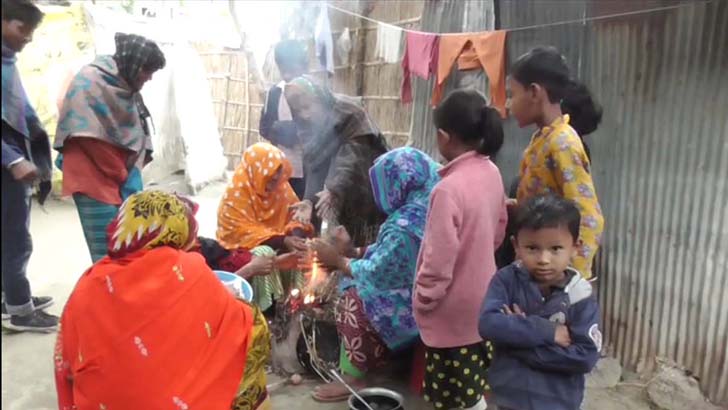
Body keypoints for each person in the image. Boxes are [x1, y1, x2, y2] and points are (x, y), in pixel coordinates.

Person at [54, 190, 273, 410]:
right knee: (249, 325)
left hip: (101, 402)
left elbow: (68, 355)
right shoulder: (188, 268)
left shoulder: (90, 280)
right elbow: (239, 327)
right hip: (171, 402)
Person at [311, 147, 441, 402]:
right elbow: (391, 255)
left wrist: (338, 259)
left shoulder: (406, 224)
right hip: (432, 289)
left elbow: (377, 273)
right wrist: (353, 251)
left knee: (351, 294)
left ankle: (355, 377)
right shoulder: (428, 202)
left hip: (418, 304)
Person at [413, 89, 508, 410]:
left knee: (454, 396)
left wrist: (425, 298)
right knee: (472, 385)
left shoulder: (447, 189)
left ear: (443, 137)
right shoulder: (491, 173)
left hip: (451, 308)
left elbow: (438, 260)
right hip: (484, 297)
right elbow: (498, 229)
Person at [478, 195, 601, 410]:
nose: (544, 259)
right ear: (516, 245)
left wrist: (516, 343)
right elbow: (488, 324)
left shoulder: (579, 295)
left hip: (557, 403)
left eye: (555, 249)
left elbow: (584, 357)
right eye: (532, 248)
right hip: (509, 399)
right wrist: (547, 331)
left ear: (575, 247)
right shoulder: (507, 280)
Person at [54, 32, 166, 263]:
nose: (150, 78)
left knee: (128, 243)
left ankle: (121, 292)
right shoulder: (89, 83)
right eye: (148, 71)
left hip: (120, 174)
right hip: (91, 175)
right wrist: (123, 175)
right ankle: (105, 293)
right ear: (133, 63)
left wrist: (131, 177)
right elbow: (87, 138)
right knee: (106, 249)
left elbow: (135, 134)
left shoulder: (126, 85)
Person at [508, 46, 604, 279]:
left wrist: (570, 278)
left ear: (534, 92)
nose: (509, 105)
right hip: (537, 267)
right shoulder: (543, 138)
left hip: (553, 279)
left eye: (512, 94)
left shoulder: (562, 142)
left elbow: (589, 217)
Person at [1, 0, 58, 332]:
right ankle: (21, 312)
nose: (28, 38)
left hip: (12, 162)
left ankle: (10, 298)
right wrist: (14, 159)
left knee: (8, 237)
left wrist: (35, 140)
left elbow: (17, 109)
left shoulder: (7, 59)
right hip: (6, 166)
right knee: (15, 240)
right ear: (5, 22)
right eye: (24, 30)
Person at [285, 76, 389, 246]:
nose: (305, 114)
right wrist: (309, 200)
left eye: (307, 106)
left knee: (364, 238)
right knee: (337, 235)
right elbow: (314, 163)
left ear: (320, 99)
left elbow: (353, 157)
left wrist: (334, 187)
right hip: (335, 192)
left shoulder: (350, 113)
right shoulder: (306, 125)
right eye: (298, 111)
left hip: (363, 184)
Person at [217, 142, 313, 311]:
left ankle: (294, 305)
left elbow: (295, 217)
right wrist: (283, 240)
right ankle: (264, 310)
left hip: (276, 241)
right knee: (264, 253)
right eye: (269, 176)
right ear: (255, 171)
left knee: (299, 251)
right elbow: (240, 232)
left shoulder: (281, 188)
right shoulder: (235, 194)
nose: (275, 181)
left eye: (278, 174)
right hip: (239, 252)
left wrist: (296, 234)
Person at [259, 39, 308, 199]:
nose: (286, 75)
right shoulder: (274, 93)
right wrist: (281, 130)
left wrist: (292, 131)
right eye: (282, 69)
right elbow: (264, 127)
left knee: (307, 216)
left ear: (302, 67)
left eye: (291, 69)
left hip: (308, 172)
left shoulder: (313, 93)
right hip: (280, 170)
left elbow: (321, 131)